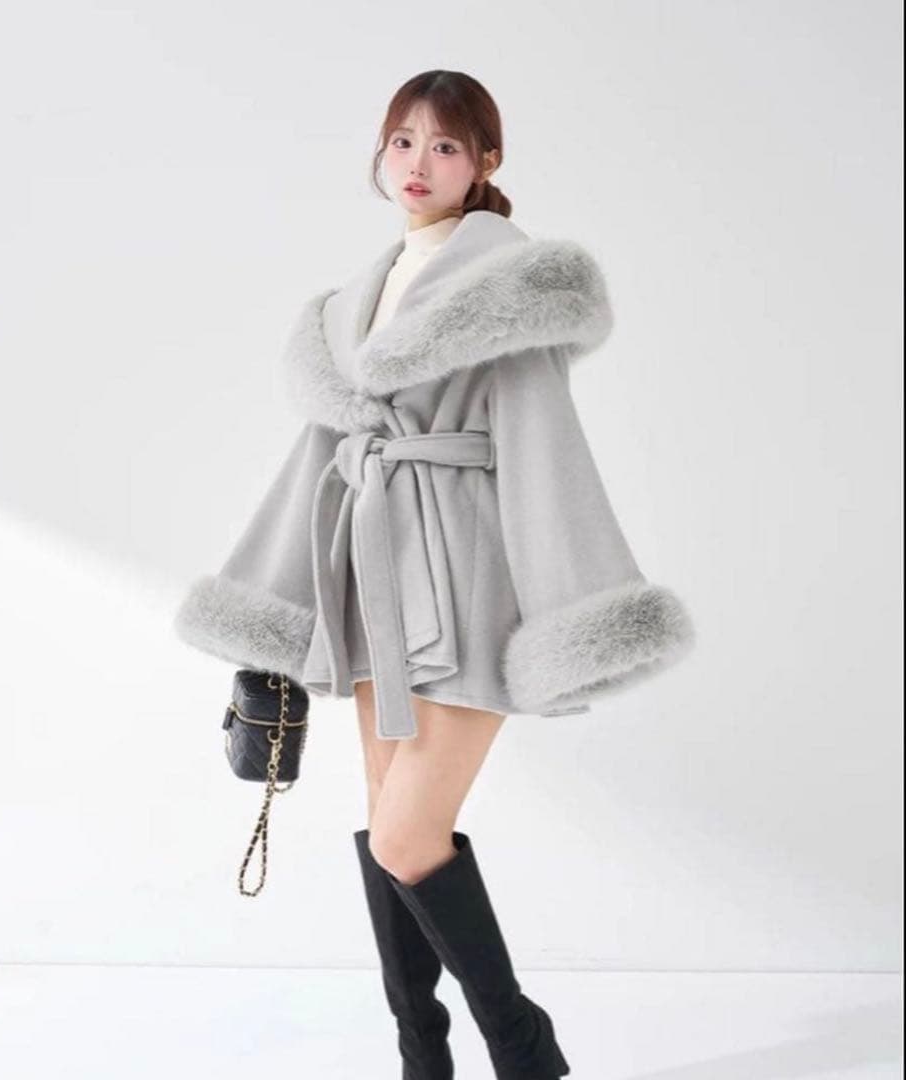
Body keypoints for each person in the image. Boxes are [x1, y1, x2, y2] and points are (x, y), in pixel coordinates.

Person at [174, 69, 695, 1079]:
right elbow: (316, 463)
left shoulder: (508, 288)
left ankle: (524, 1050)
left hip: (467, 585)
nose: (419, 162)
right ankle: (423, 1054)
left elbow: (545, 449)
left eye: (445, 145)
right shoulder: (353, 300)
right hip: (374, 584)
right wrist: (273, 608)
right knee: (391, 828)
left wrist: (569, 609)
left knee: (406, 838)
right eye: (403, 141)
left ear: (485, 161)